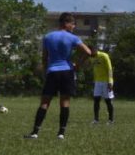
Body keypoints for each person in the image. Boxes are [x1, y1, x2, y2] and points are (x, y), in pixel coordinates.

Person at [25, 12, 95, 140]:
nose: (73, 27)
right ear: (66, 23)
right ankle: (61, 133)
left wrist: (46, 71)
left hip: (52, 71)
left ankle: (35, 132)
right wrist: (77, 65)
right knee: (65, 102)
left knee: (45, 102)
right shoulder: (72, 38)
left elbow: (44, 57)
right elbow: (88, 52)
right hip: (67, 71)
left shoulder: (47, 37)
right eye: (73, 24)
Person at [91, 48, 114, 124]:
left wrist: (110, 81)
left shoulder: (104, 55)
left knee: (108, 101)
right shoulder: (92, 58)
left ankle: (111, 120)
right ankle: (96, 120)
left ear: (94, 50)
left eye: (90, 51)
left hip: (106, 81)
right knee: (96, 100)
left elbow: (109, 69)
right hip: (97, 82)